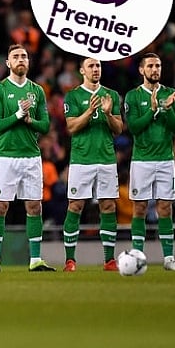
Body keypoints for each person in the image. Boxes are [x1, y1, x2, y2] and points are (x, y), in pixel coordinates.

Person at [0, 44, 55, 272]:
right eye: (15, 57)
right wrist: (17, 114)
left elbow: (45, 126)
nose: (20, 60)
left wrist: (29, 121)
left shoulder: (37, 90)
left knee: (34, 206)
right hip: (6, 156)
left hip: (31, 156)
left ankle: (35, 259)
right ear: (8, 63)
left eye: (24, 56)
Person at [123, 53, 175, 271]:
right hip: (142, 160)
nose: (155, 69)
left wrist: (167, 109)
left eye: (158, 65)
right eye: (150, 66)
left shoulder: (171, 94)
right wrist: (152, 110)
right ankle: (138, 257)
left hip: (165, 159)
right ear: (141, 70)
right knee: (139, 208)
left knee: (165, 208)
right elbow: (133, 128)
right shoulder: (132, 96)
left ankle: (169, 259)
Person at [61, 57, 124, 272]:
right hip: (81, 160)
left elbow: (118, 129)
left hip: (106, 159)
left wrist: (107, 113)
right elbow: (71, 127)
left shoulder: (112, 95)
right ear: (82, 71)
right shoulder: (74, 96)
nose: (96, 69)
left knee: (108, 206)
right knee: (75, 206)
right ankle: (70, 260)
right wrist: (89, 111)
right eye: (91, 66)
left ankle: (109, 260)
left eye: (98, 65)